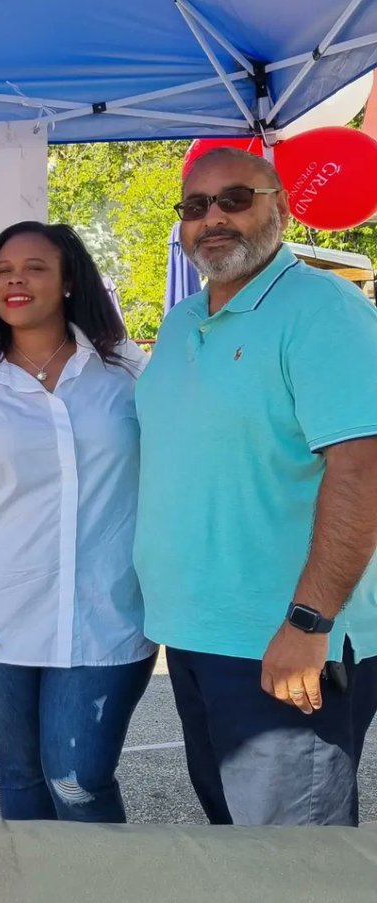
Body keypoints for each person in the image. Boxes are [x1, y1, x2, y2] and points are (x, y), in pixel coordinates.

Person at [135, 148, 377, 826]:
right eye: (194, 206)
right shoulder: (184, 321)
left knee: (292, 873)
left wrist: (309, 621)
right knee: (236, 852)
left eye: (235, 199)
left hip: (285, 641)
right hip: (196, 634)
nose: (212, 218)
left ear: (281, 206)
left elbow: (362, 470)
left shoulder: (324, 309)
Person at [0, 222, 156, 822]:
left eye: (35, 267)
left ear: (69, 281)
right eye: (3, 269)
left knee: (79, 780)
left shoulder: (124, 372)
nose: (15, 280)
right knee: (19, 774)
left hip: (106, 614)